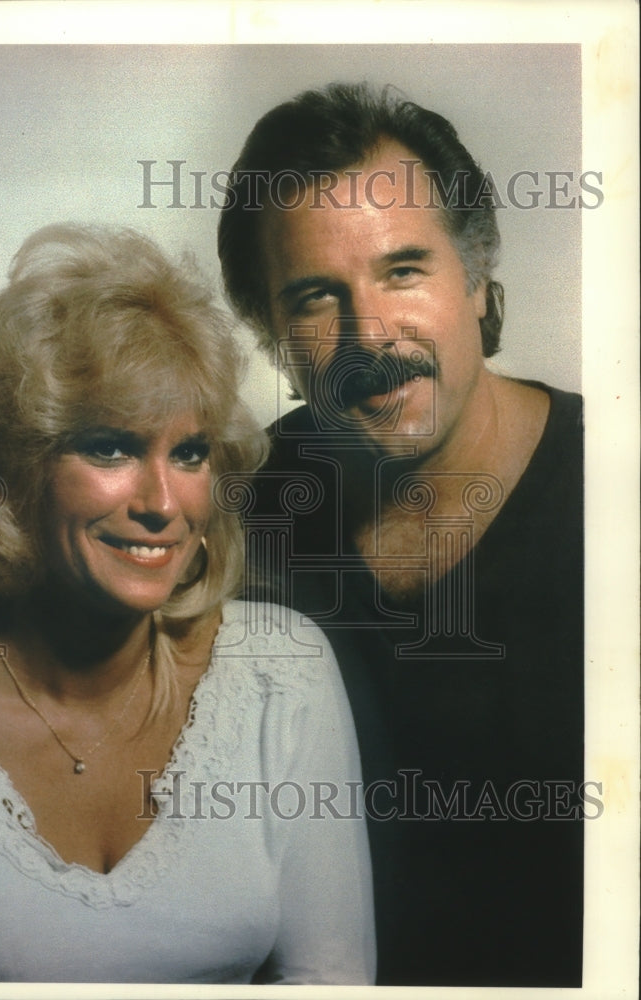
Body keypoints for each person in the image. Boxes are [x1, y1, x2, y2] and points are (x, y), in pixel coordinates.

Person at [0, 223, 375, 984]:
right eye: (110, 447)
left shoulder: (277, 672)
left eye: (189, 453)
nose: (162, 502)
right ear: (16, 471)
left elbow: (334, 980)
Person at [218, 83, 584, 987]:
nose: (367, 334)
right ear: (269, 335)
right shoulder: (233, 513)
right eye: (314, 297)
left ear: (477, 278)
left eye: (403, 270)